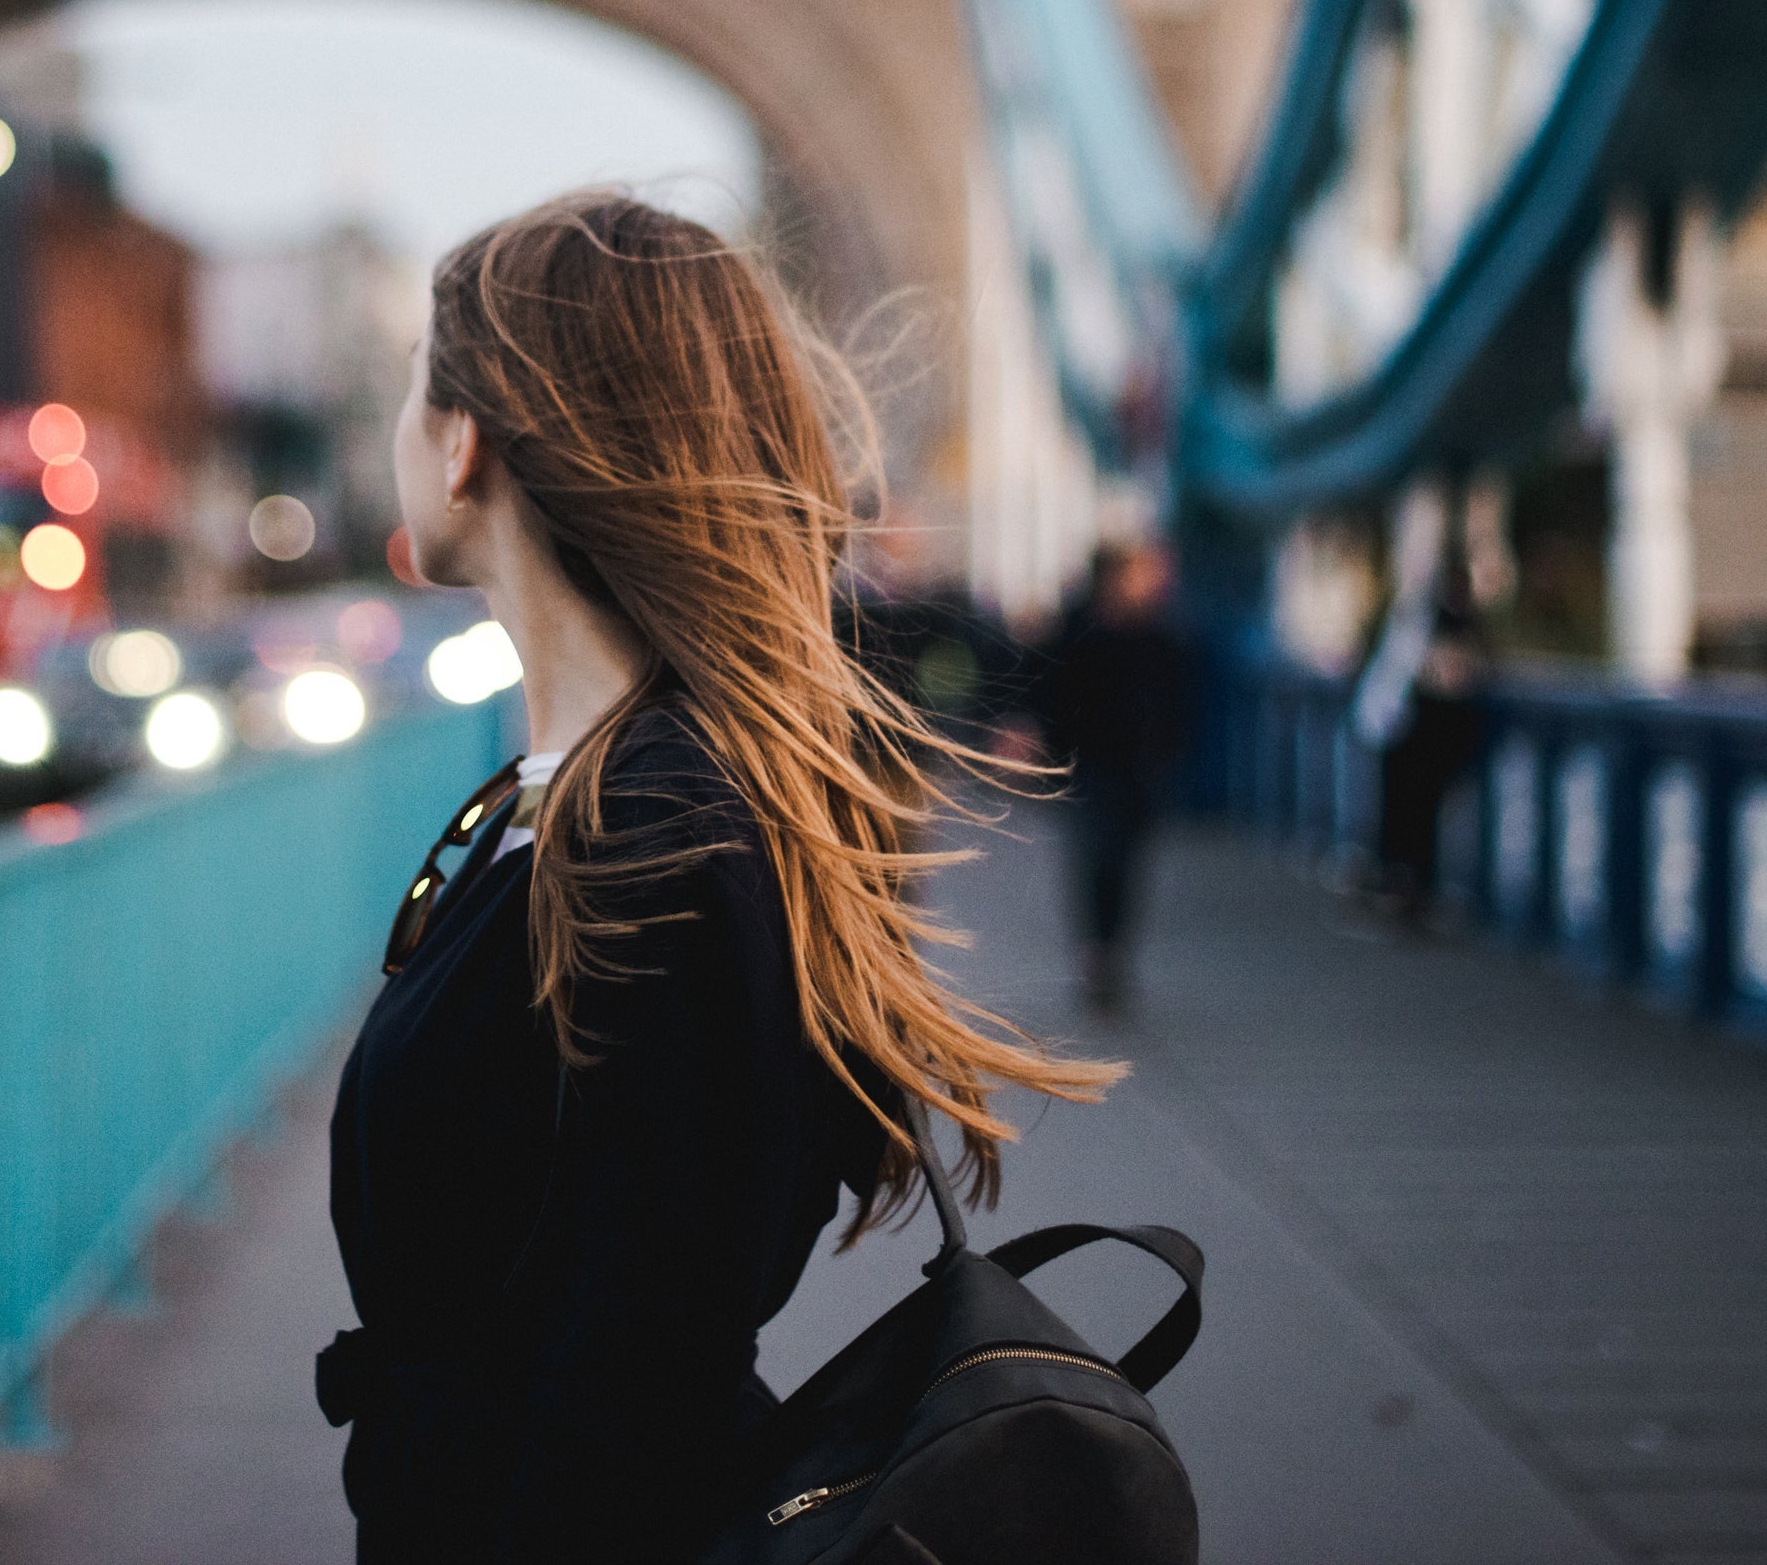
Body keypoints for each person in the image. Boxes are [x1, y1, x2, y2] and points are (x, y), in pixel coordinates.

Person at [324, 194, 1121, 1564]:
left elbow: (639, 1374)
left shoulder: (662, 831)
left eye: (414, 388)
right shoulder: (591, 796)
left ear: (465, 446)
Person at [1036, 539, 1187, 1012]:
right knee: (1098, 856)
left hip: (1138, 770)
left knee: (1127, 862)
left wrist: (1164, 749)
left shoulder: (1157, 637)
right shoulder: (1080, 633)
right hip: (1091, 765)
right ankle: (1097, 954)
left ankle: (1112, 952)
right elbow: (1051, 695)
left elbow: (1176, 702)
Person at [1371, 605, 1487, 929]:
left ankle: (1411, 887)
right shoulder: (1421, 620)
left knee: (1421, 811)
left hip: (1430, 731)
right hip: (1418, 731)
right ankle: (1407, 884)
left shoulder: (1439, 622)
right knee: (1413, 810)